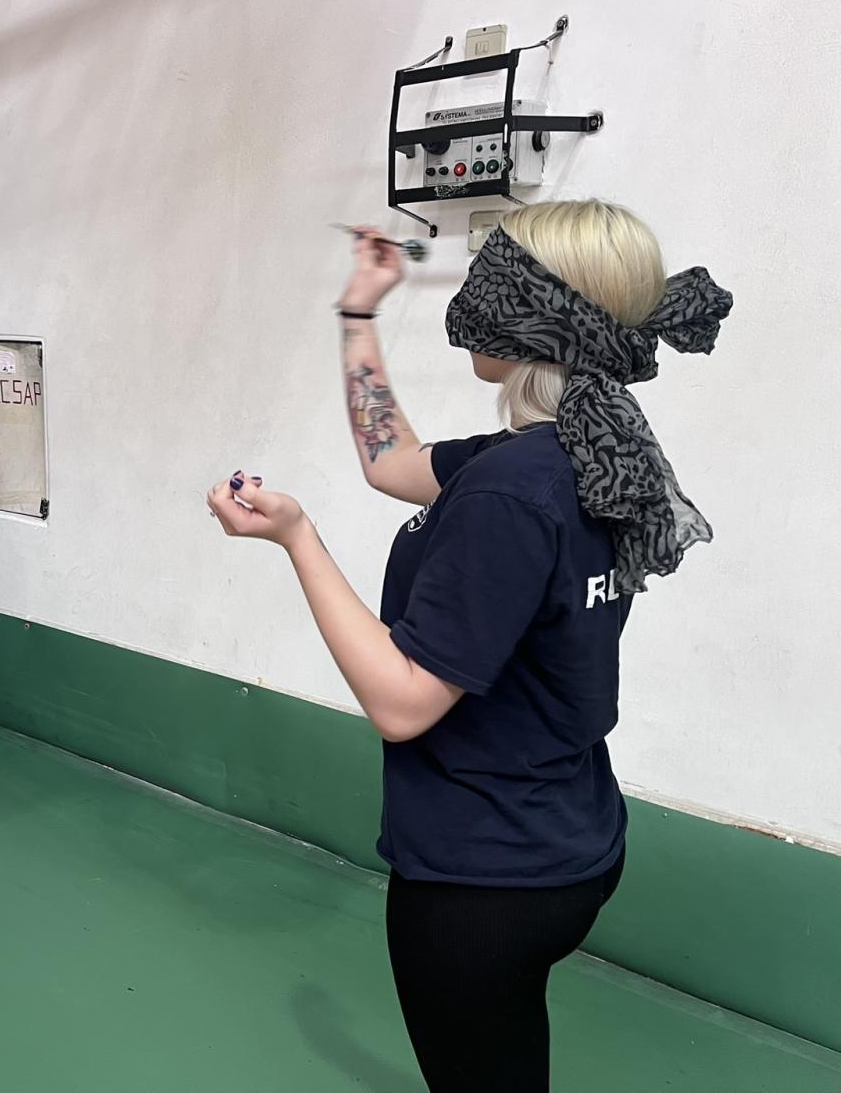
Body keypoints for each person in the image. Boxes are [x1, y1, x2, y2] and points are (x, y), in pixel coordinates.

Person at [206, 200, 731, 1092]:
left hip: (484, 880)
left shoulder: (510, 493)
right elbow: (391, 460)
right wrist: (359, 311)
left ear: (533, 316)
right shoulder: (585, 453)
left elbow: (402, 702)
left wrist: (298, 538)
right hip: (569, 838)